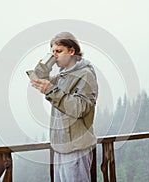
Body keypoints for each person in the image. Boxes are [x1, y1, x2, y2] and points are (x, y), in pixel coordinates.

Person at [30, 32, 98, 182]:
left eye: (58, 51)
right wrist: (45, 66)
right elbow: (43, 80)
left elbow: (80, 107)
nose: (55, 56)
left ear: (72, 51)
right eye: (52, 52)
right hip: (61, 146)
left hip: (76, 147)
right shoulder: (63, 75)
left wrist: (50, 90)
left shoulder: (85, 74)